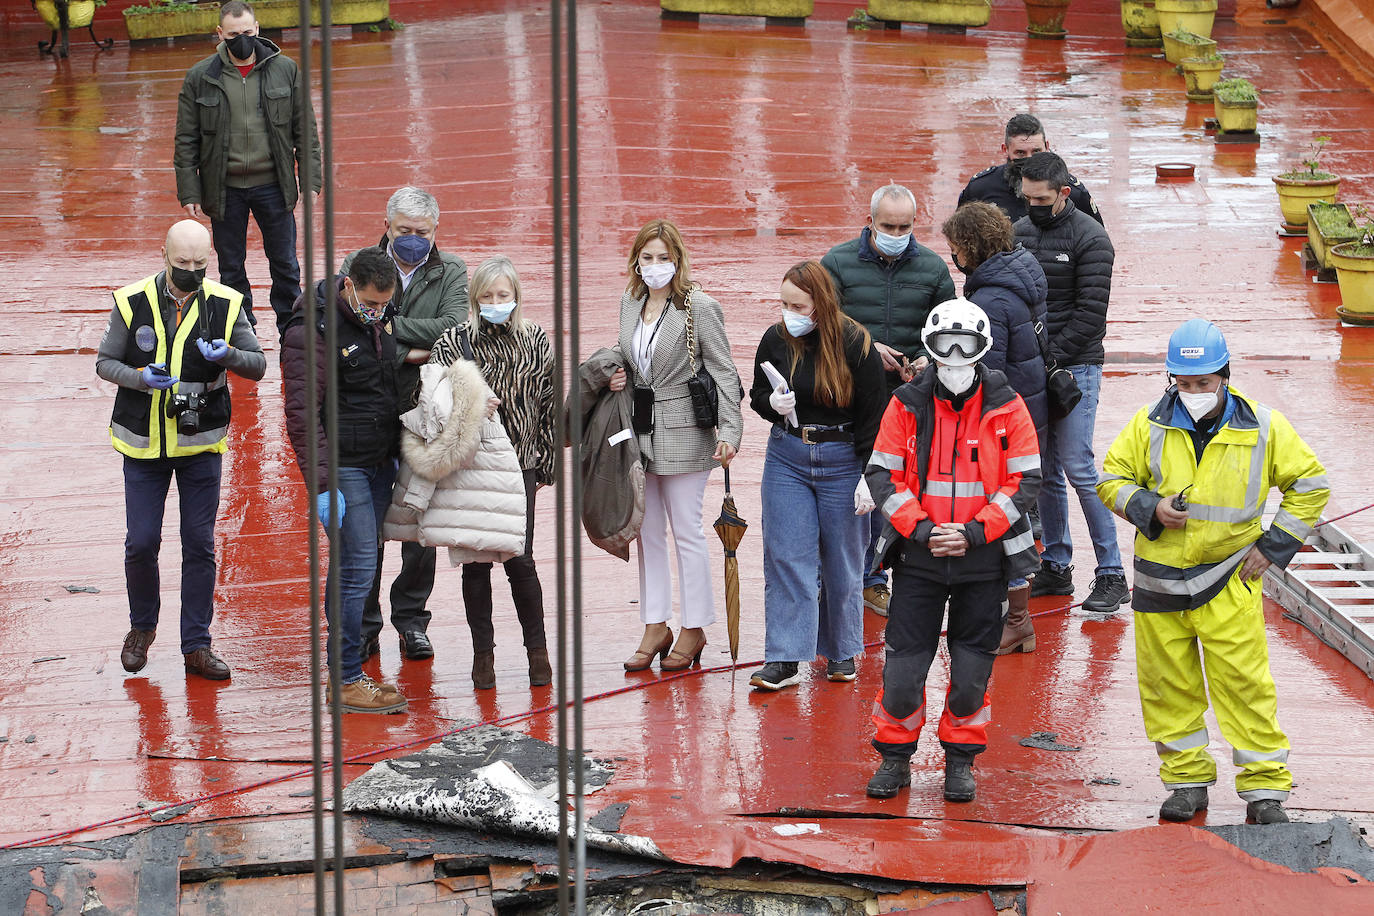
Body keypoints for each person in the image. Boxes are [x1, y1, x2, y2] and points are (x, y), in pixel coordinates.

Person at [1097, 319, 1328, 826]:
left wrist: (1275, 546)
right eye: (1184, 383)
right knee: (1166, 685)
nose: (1194, 393)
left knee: (1244, 684)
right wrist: (1150, 507)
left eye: (1203, 383)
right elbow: (1111, 478)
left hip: (1229, 578)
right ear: (1171, 380)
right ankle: (1186, 783)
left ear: (1224, 375)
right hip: (1161, 581)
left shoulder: (1265, 427)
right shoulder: (1148, 424)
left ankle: (1264, 790)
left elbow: (1310, 484)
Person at [863, 299, 1041, 802]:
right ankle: (895, 760)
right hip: (919, 561)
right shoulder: (906, 403)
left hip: (983, 563)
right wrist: (922, 531)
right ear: (931, 346)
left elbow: (1025, 480)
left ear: (982, 347)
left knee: (970, 672)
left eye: (966, 345)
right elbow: (883, 473)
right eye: (946, 344)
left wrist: (974, 533)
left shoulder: (1009, 405)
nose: (956, 355)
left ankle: (959, 763)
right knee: (902, 670)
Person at [96, 219, 266, 681]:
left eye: (200, 263)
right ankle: (141, 627)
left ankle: (196, 643)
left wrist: (226, 355)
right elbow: (104, 362)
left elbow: (258, 365)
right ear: (164, 255)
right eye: (182, 263)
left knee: (200, 543)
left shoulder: (227, 303)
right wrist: (139, 378)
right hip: (143, 442)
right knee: (141, 541)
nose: (191, 270)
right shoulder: (131, 302)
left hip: (200, 442)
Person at [608, 219, 743, 672]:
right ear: (635, 262)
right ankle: (654, 623)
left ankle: (695, 626)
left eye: (663, 257)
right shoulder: (630, 302)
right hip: (640, 429)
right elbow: (624, 354)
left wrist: (729, 431)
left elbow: (724, 372)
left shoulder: (699, 307)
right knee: (647, 532)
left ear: (678, 260)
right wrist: (612, 374)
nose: (655, 266)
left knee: (686, 530)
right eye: (647, 258)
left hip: (687, 428)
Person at [342, 186, 469, 664]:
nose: (412, 240)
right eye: (403, 231)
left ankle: (412, 621)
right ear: (387, 224)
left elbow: (455, 328)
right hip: (369, 409)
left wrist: (388, 331)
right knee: (367, 525)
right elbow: (347, 320)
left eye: (421, 232)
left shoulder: (450, 269)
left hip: (426, 412)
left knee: (420, 523)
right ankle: (367, 623)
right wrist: (412, 343)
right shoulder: (359, 261)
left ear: (435, 230)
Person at [746, 260, 885, 691]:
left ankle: (841, 650)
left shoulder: (855, 343)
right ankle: (786, 656)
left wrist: (869, 474)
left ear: (820, 305)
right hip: (788, 454)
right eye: (784, 303)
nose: (789, 313)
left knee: (843, 557)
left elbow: (874, 414)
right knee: (787, 555)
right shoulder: (775, 339)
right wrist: (774, 405)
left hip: (843, 457)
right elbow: (756, 395)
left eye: (798, 305)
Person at [821, 183, 956, 617]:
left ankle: (877, 576)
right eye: (887, 226)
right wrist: (866, 345)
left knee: (895, 485)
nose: (896, 233)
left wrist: (924, 360)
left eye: (904, 226)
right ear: (870, 222)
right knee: (849, 487)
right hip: (848, 396)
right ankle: (843, 575)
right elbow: (821, 318)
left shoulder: (933, 269)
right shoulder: (837, 263)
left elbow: (946, 326)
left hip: (907, 398)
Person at [281, 246, 406, 714]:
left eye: (384, 306)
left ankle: (345, 673)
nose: (377, 314)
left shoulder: (376, 320)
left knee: (356, 567)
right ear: (348, 285)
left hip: (377, 461)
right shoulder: (310, 330)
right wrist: (322, 483)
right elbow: (301, 413)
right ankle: (347, 678)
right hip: (343, 466)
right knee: (356, 572)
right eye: (370, 304)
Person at [426, 257, 556, 690]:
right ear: (474, 299)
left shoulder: (535, 338)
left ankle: (537, 653)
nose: (495, 303)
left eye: (503, 295)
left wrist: (546, 463)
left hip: (521, 463)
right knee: (476, 563)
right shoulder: (453, 340)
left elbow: (549, 402)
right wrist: (470, 400)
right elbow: (433, 397)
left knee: (521, 559)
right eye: (487, 296)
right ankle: (484, 657)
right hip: (471, 465)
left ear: (516, 295)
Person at [1014, 151, 1128, 613]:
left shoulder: (1092, 238)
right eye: (1026, 199)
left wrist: (1049, 358)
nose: (1033, 206)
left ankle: (1112, 572)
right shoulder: (1019, 234)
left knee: (1079, 467)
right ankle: (1056, 566)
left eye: (1041, 199)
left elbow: (1090, 316)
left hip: (1077, 367)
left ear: (1064, 193)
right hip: (1036, 369)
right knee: (1043, 473)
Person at [173, 0, 321, 334]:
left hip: (274, 184)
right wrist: (189, 189)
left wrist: (310, 180)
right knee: (230, 268)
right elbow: (186, 138)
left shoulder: (286, 70)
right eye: (233, 34)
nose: (242, 39)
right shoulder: (201, 77)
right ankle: (239, 330)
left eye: (247, 32)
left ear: (257, 29)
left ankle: (292, 328)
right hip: (224, 189)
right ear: (220, 33)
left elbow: (305, 130)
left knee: (285, 264)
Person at [941, 202, 1048, 655]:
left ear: (969, 246)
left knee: (1009, 523)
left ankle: (1017, 621)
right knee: (1022, 518)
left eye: (954, 249)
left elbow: (988, 370)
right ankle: (1016, 618)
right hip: (1029, 415)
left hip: (999, 429)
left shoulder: (988, 298)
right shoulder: (1019, 277)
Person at [957, 113, 1103, 227]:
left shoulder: (1073, 191)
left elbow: (1096, 241)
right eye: (1020, 153)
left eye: (1036, 151)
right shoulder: (980, 188)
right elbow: (959, 238)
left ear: (1047, 146)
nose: (1030, 159)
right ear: (1005, 149)